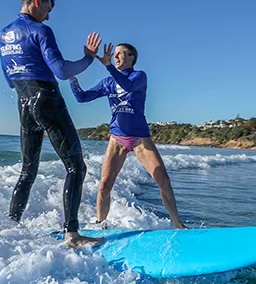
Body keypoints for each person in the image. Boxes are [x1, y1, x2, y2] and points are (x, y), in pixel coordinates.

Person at [0, 0, 104, 248]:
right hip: (47, 99)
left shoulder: (2, 35)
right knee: (76, 167)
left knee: (27, 171)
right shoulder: (40, 30)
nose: (48, 16)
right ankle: (73, 234)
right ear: (36, 2)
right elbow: (62, 70)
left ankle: (12, 227)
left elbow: (9, 80)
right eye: (47, 9)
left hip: (23, 103)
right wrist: (88, 59)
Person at [69, 42, 187, 229]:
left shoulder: (139, 76)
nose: (115, 57)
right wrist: (72, 79)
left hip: (140, 139)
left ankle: (178, 224)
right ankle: (101, 224)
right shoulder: (107, 82)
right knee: (104, 186)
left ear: (131, 57)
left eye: (120, 54)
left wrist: (108, 66)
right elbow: (82, 98)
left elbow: (129, 86)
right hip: (117, 138)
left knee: (163, 180)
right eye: (114, 54)